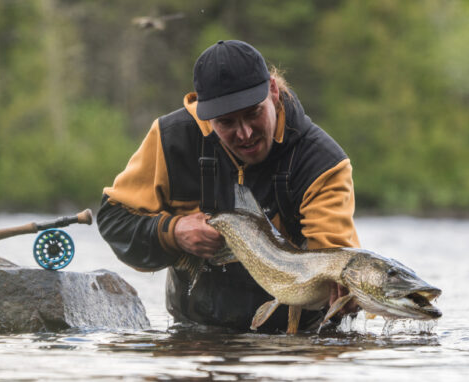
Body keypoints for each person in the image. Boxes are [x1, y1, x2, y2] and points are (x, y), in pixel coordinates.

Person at [97, 40, 360, 332]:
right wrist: (174, 233)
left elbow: (335, 257)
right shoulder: (172, 139)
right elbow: (114, 220)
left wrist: (347, 296)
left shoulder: (322, 163)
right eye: (226, 122)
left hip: (295, 341)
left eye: (253, 114)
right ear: (206, 115)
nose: (244, 133)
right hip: (194, 336)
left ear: (273, 91)